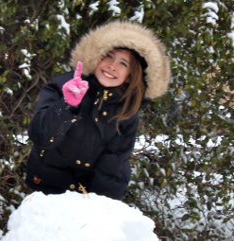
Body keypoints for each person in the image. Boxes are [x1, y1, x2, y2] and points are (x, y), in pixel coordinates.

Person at [26, 21, 171, 200]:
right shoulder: (65, 85)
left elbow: (114, 164)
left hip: (87, 198)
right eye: (108, 56)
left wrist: (100, 207)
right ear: (96, 58)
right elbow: (41, 136)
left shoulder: (126, 112)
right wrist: (66, 105)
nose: (112, 65)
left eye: (123, 63)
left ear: (130, 77)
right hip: (47, 191)